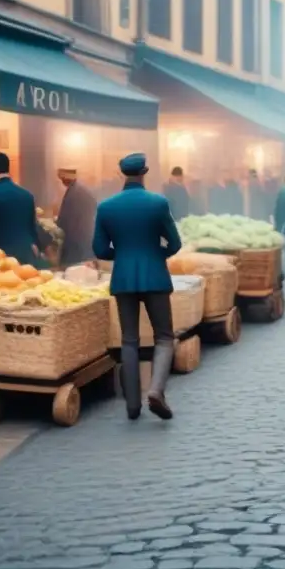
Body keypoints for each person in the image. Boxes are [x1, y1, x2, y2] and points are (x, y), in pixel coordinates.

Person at [93, 153, 182, 420]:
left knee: (129, 340)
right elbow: (175, 243)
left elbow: (99, 249)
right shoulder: (158, 203)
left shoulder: (106, 207)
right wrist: (157, 255)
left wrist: (121, 255)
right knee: (164, 337)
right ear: (144, 172)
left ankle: (133, 405)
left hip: (123, 279)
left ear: (123, 174)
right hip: (155, 276)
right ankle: (156, 390)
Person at [55, 168, 97, 267]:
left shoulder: (74, 193)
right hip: (85, 238)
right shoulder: (81, 190)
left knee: (76, 270)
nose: (62, 181)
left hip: (76, 241)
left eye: (62, 179)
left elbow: (64, 219)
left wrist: (56, 226)